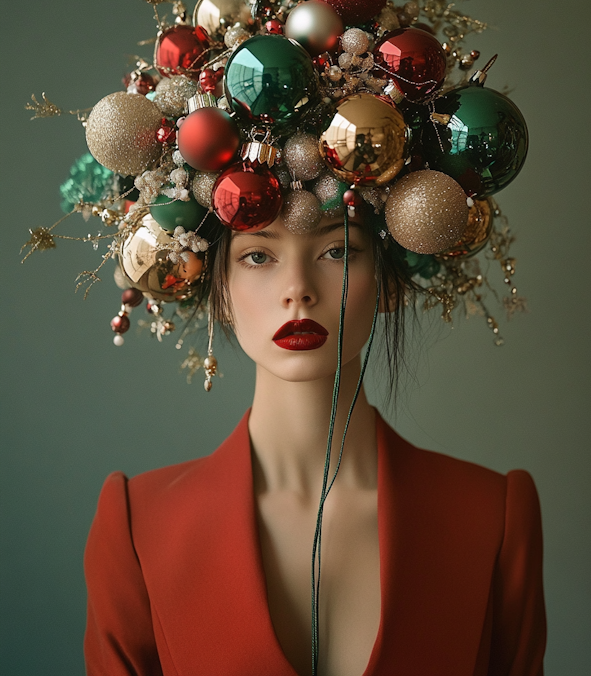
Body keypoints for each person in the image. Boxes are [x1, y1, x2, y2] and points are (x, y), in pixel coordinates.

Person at [83, 207, 546, 676]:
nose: (298, 289)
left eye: (338, 250)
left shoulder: (492, 519)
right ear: (217, 288)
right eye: (259, 255)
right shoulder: (138, 528)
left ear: (389, 281)